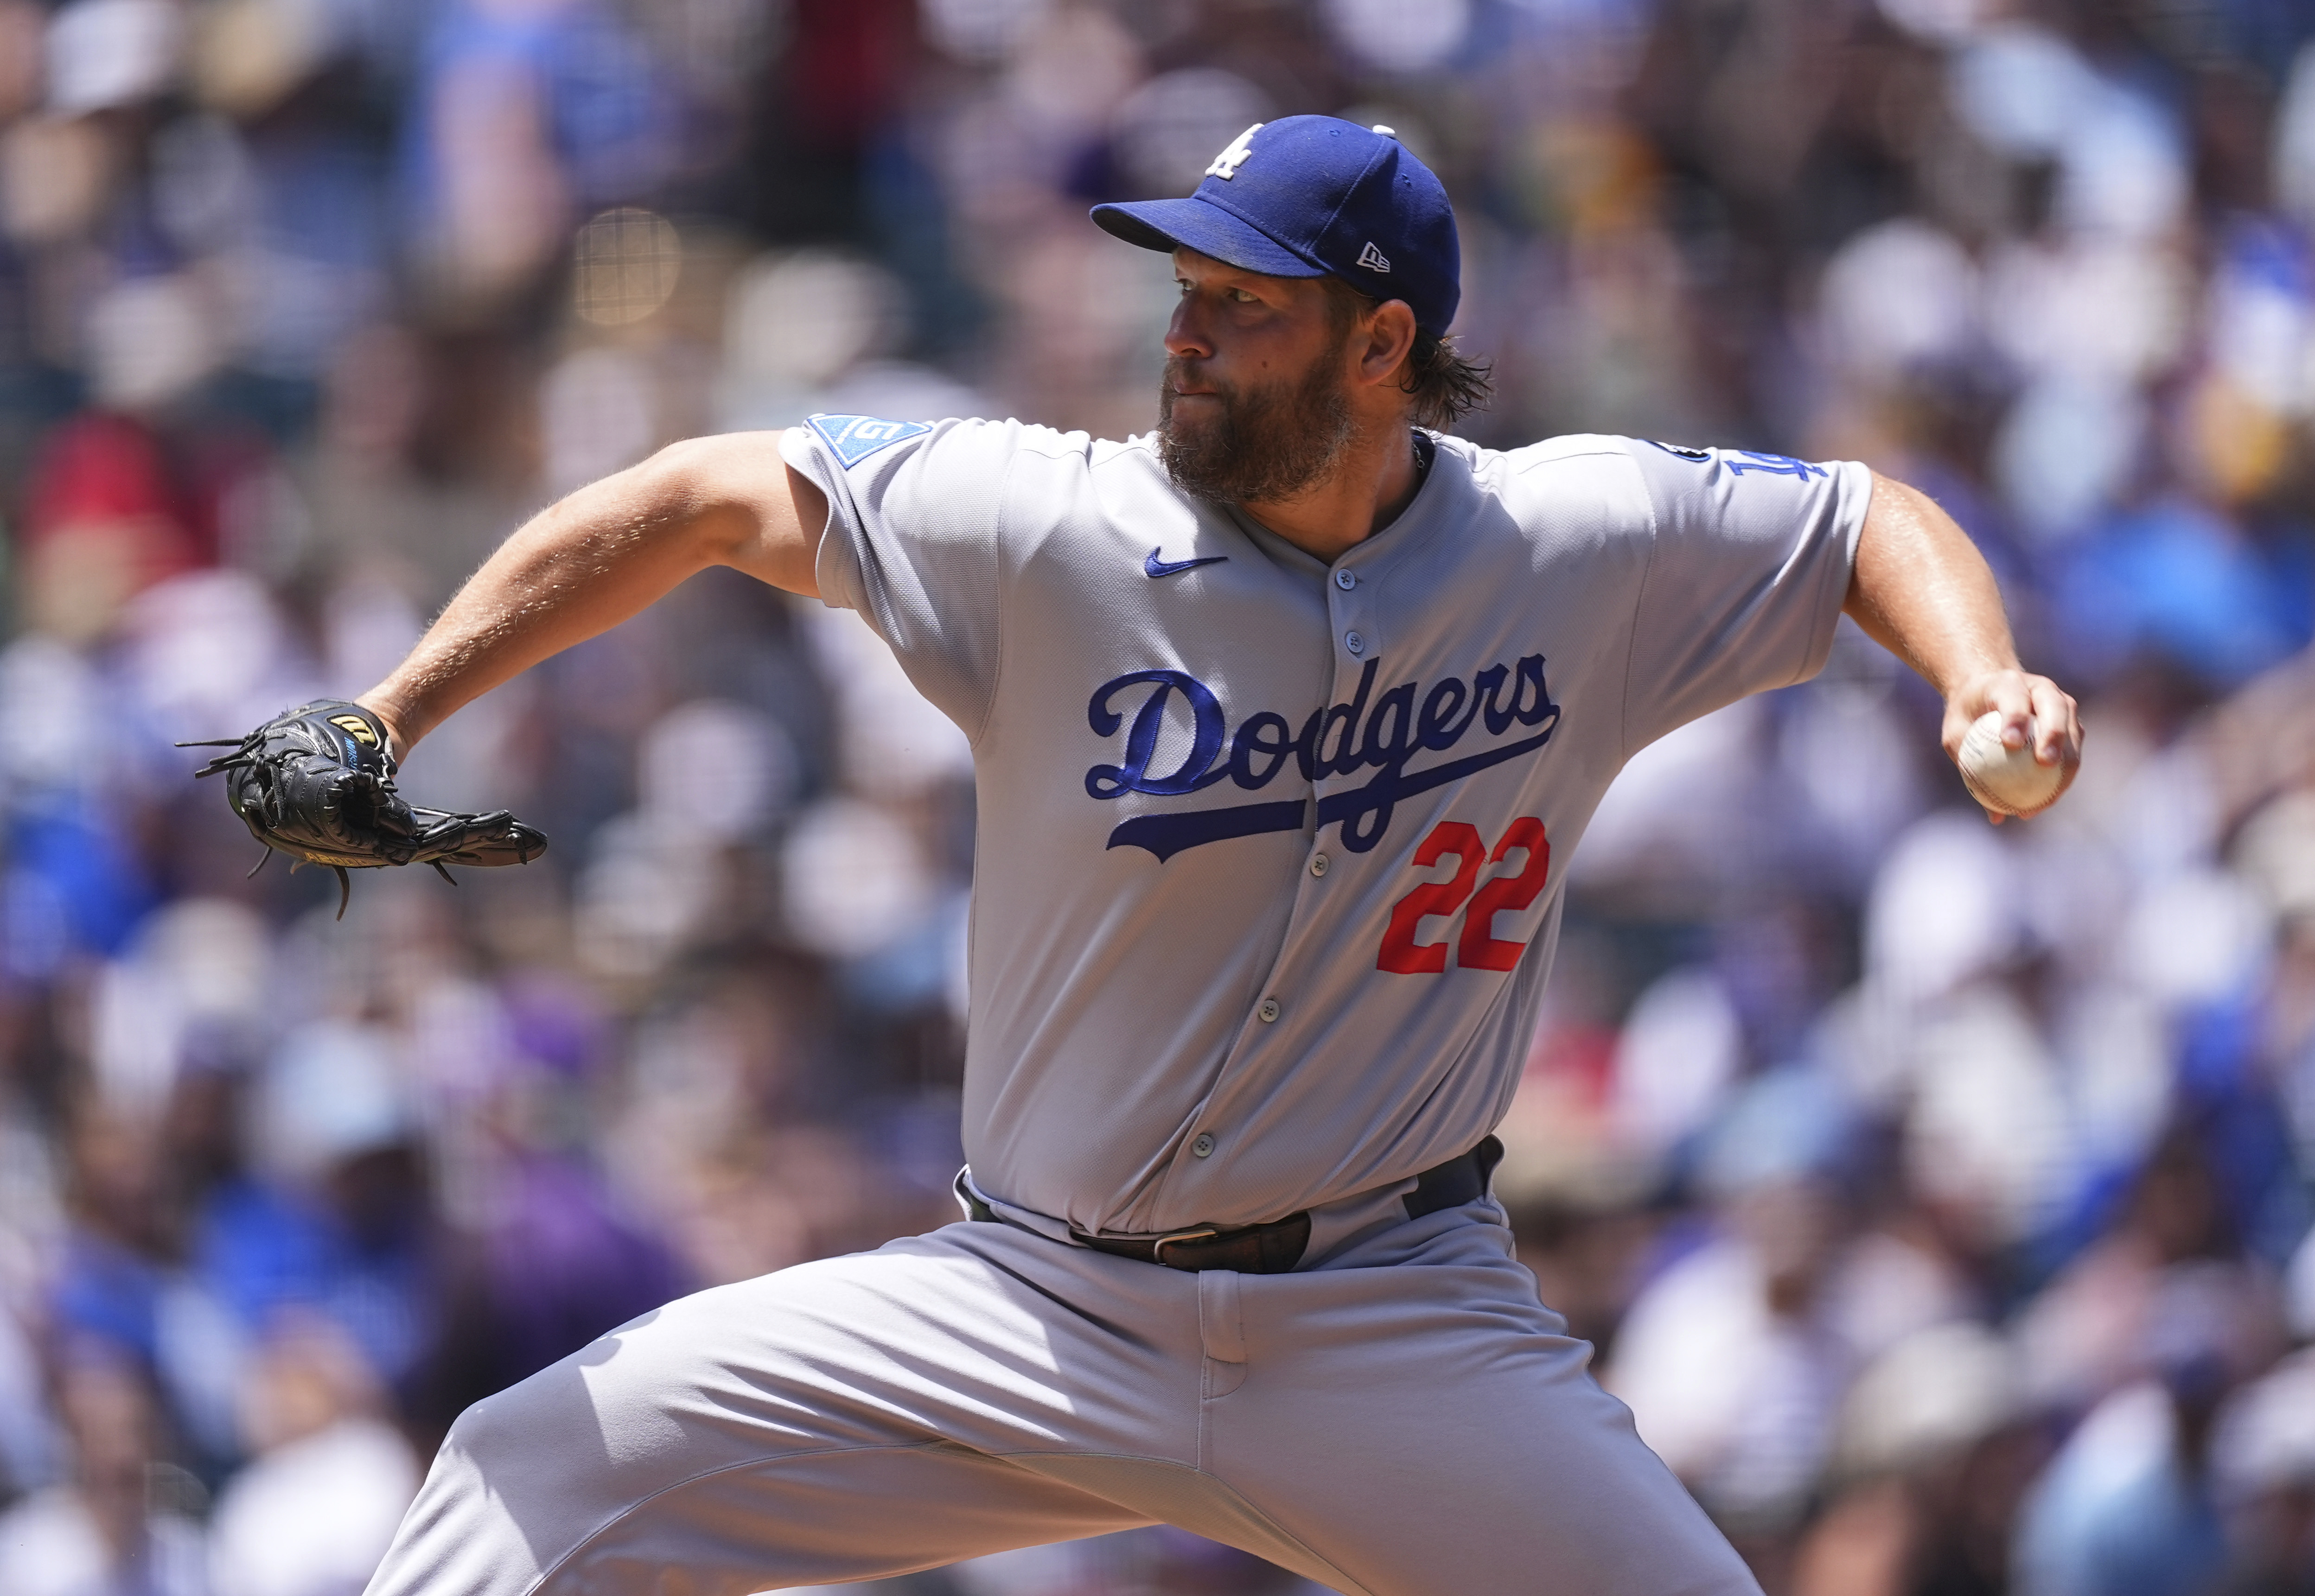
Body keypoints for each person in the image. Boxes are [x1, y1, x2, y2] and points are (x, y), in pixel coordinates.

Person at [356, 117, 2080, 1596]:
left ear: (1380, 342)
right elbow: (699, 496)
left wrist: (1978, 672)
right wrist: (387, 717)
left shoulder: (1573, 539)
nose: (1183, 333)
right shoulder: (1045, 521)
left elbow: (1864, 518)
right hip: (1031, 1308)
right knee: (531, 1474)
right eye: (1181, 292)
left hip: (1393, 1319)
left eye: (1240, 305)